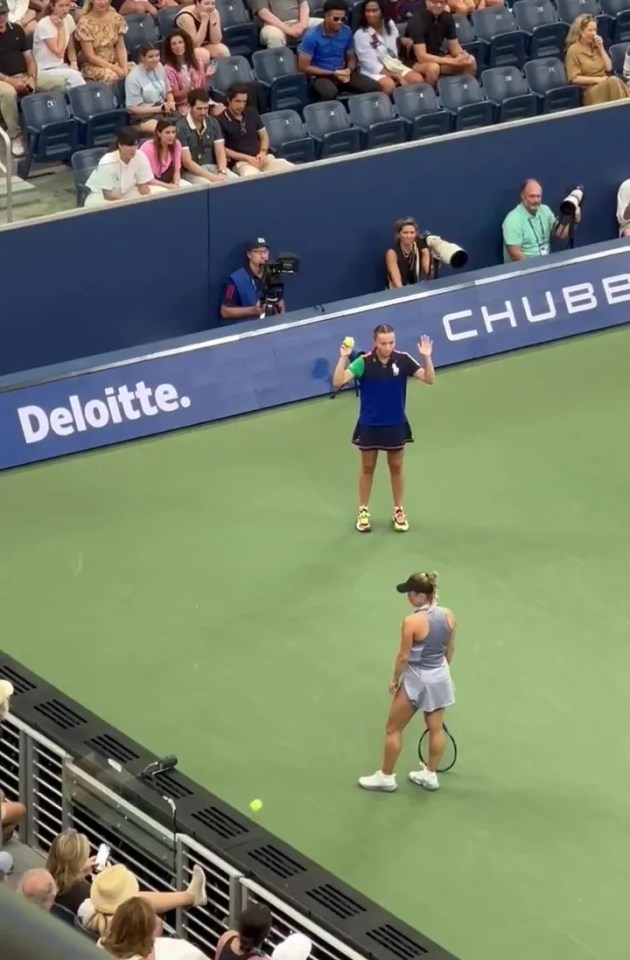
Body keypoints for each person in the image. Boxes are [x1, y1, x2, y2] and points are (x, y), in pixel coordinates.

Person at [358, 571, 456, 793]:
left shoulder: (411, 621)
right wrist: (440, 674)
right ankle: (430, 774)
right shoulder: (449, 615)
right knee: (436, 728)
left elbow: (403, 656)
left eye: (410, 593)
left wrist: (394, 680)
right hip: (440, 676)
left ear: (420, 595)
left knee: (393, 728)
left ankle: (386, 777)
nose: (408, 598)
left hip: (416, 680)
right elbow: (449, 650)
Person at [331, 324, 435, 533]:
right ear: (374, 343)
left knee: (396, 468)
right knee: (367, 469)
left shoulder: (403, 359)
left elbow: (429, 379)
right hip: (370, 425)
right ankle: (363, 511)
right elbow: (338, 381)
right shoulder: (363, 363)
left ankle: (398, 510)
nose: (388, 347)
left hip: (395, 424)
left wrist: (427, 357)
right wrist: (343, 357)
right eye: (383, 343)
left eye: (391, 342)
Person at [0, 0, 65, 158]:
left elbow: (29, 58)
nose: (1, 18)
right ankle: (14, 134)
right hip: (3, 79)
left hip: (23, 74)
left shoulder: (16, 30)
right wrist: (11, 81)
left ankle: (52, 126)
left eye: (3, 14)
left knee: (59, 83)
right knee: (8, 94)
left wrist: (31, 77)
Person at [297, 0, 381, 101]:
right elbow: (303, 67)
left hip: (342, 73)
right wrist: (333, 73)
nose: (340, 22)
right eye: (336, 19)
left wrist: (348, 70)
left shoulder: (346, 31)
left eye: (343, 19)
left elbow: (351, 57)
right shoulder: (311, 36)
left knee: (373, 86)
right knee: (329, 92)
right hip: (321, 76)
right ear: (326, 16)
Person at [218, 83, 294, 177]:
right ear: (229, 100)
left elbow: (264, 136)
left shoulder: (252, 112)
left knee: (289, 168)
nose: (241, 105)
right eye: (237, 101)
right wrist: (248, 159)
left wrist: (262, 152)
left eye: (244, 101)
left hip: (261, 157)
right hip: (241, 162)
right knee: (253, 177)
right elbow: (223, 149)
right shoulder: (220, 120)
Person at [353, 0, 430, 93]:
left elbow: (395, 49)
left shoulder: (389, 23)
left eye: (374, 11)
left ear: (382, 12)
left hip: (393, 63)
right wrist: (396, 76)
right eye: (368, 11)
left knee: (417, 80)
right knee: (389, 85)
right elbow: (371, 65)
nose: (370, 14)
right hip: (372, 70)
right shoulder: (360, 34)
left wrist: (401, 40)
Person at [84, 126, 167, 207]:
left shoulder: (140, 156)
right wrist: (127, 204)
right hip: (103, 198)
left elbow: (143, 186)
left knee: (161, 193)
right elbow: (107, 195)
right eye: (129, 146)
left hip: (128, 193)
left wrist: (148, 202)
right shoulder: (107, 161)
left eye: (136, 145)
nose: (133, 149)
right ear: (120, 145)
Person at [502, 178, 576, 262]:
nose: (536, 200)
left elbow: (560, 234)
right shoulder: (512, 219)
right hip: (524, 268)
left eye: (538, 196)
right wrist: (535, 268)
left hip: (544, 264)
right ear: (522, 196)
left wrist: (574, 220)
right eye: (532, 196)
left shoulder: (545, 210)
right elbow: (515, 253)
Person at [565, 14, 630, 106]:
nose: (593, 33)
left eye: (595, 30)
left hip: (607, 83)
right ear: (581, 31)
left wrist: (601, 48)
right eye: (590, 30)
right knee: (613, 81)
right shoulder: (573, 50)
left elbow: (609, 67)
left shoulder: (596, 45)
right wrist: (597, 80)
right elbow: (575, 78)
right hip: (591, 89)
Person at [406, 0, 475, 84]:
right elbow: (421, 57)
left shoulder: (447, 17)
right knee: (433, 68)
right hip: (413, 61)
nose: (438, 5)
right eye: (434, 2)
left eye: (441, 2)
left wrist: (463, 56)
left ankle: (463, 91)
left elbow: (454, 47)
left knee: (470, 61)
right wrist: (452, 61)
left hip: (436, 55)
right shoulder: (417, 21)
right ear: (427, 2)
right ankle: (430, 95)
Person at [220, 238, 285, 322]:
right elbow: (225, 311)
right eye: (259, 252)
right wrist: (253, 310)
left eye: (265, 251)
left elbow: (280, 302)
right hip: (246, 329)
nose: (263, 256)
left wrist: (280, 308)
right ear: (249, 254)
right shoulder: (235, 280)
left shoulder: (273, 276)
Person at [32, 0, 85, 90]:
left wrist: (73, 62)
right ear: (52, 6)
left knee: (76, 76)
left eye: (67, 5)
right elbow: (59, 52)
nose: (65, 9)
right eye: (61, 6)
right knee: (75, 78)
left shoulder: (69, 19)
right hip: (44, 69)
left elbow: (70, 46)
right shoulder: (44, 24)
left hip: (60, 66)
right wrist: (60, 28)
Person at [125, 43, 176, 134]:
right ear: (143, 58)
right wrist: (159, 109)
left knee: (183, 124)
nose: (155, 59)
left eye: (157, 55)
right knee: (164, 130)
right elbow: (133, 108)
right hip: (142, 116)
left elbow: (168, 90)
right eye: (151, 57)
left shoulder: (160, 66)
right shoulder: (133, 78)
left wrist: (171, 103)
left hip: (162, 109)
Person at [75, 0, 130, 85]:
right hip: (94, 65)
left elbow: (121, 47)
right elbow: (90, 56)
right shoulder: (84, 22)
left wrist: (124, 67)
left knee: (135, 72)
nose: (103, 2)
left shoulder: (116, 18)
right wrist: (114, 68)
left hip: (114, 60)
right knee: (112, 76)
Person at [140, 117, 191, 188]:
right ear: (159, 133)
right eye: (167, 132)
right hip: (150, 183)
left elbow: (177, 170)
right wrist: (168, 186)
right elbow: (148, 178)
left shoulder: (176, 144)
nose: (171, 136)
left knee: (188, 188)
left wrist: (176, 184)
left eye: (173, 132)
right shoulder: (148, 148)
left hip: (168, 181)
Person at [253, 0, 321, 49]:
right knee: (275, 37)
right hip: (274, 26)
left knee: (324, 24)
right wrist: (287, 29)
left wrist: (302, 25)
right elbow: (263, 13)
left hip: (298, 22)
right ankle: (279, 66)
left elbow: (304, 5)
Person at [385, 217, 431, 288]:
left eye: (412, 232)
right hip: (397, 293)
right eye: (405, 233)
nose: (409, 236)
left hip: (416, 289)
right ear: (398, 234)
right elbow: (397, 283)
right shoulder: (392, 253)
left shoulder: (421, 249)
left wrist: (426, 254)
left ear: (416, 234)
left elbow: (428, 272)